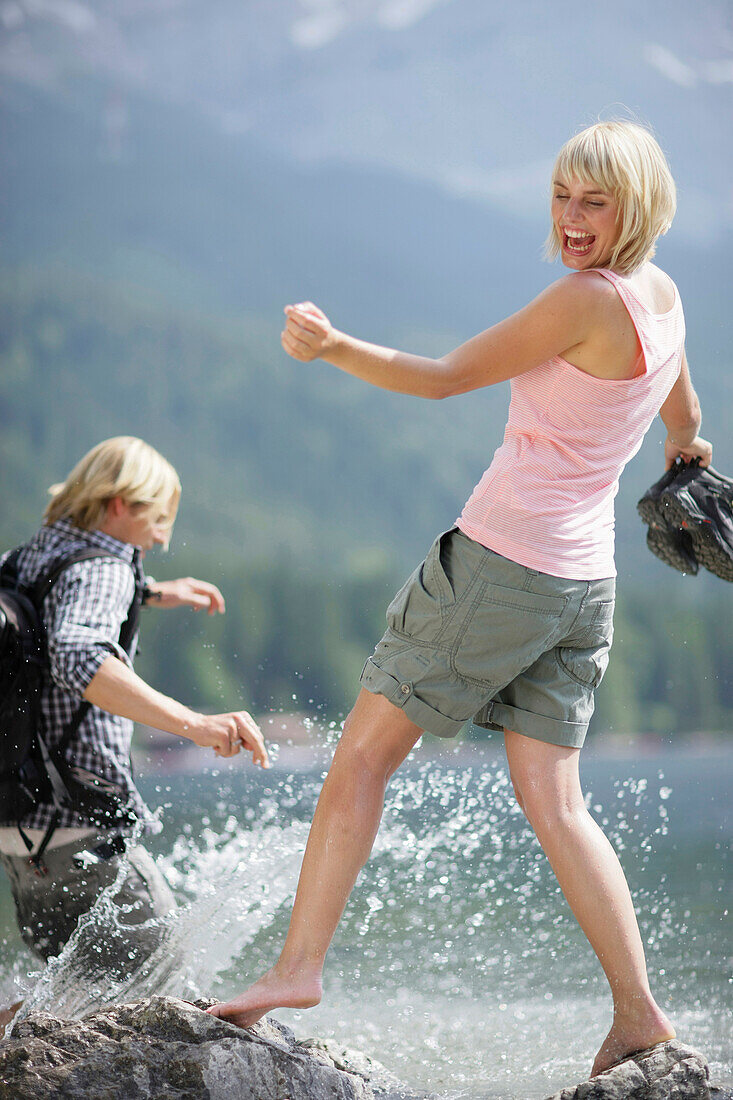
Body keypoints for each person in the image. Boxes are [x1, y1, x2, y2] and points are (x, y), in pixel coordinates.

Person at [207, 121, 712, 1077]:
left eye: (593, 201)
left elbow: (441, 381)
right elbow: (683, 420)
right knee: (557, 805)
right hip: (584, 587)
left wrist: (331, 345)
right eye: (561, 194)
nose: (570, 217)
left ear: (634, 206)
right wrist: (686, 454)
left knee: (358, 757)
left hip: (500, 566)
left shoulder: (583, 299)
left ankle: (297, 966)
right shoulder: (663, 295)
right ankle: (639, 1010)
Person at [0, 436, 269, 1030]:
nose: (164, 537)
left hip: (21, 841)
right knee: (173, 1011)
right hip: (83, 833)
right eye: (160, 518)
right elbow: (75, 654)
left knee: (74, 1016)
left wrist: (149, 591)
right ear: (121, 503)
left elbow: (47, 611)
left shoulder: (27, 558)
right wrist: (195, 724)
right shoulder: (102, 570)